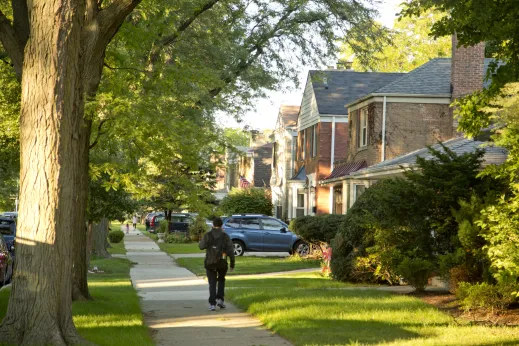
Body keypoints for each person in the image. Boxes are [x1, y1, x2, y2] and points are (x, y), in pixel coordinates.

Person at [199, 217, 235, 311]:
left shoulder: (208, 235)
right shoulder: (225, 236)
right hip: (222, 263)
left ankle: (212, 303)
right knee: (221, 280)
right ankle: (220, 299)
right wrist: (232, 263)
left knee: (212, 283)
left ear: (213, 225)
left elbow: (201, 246)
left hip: (210, 262)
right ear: (221, 225)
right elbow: (231, 250)